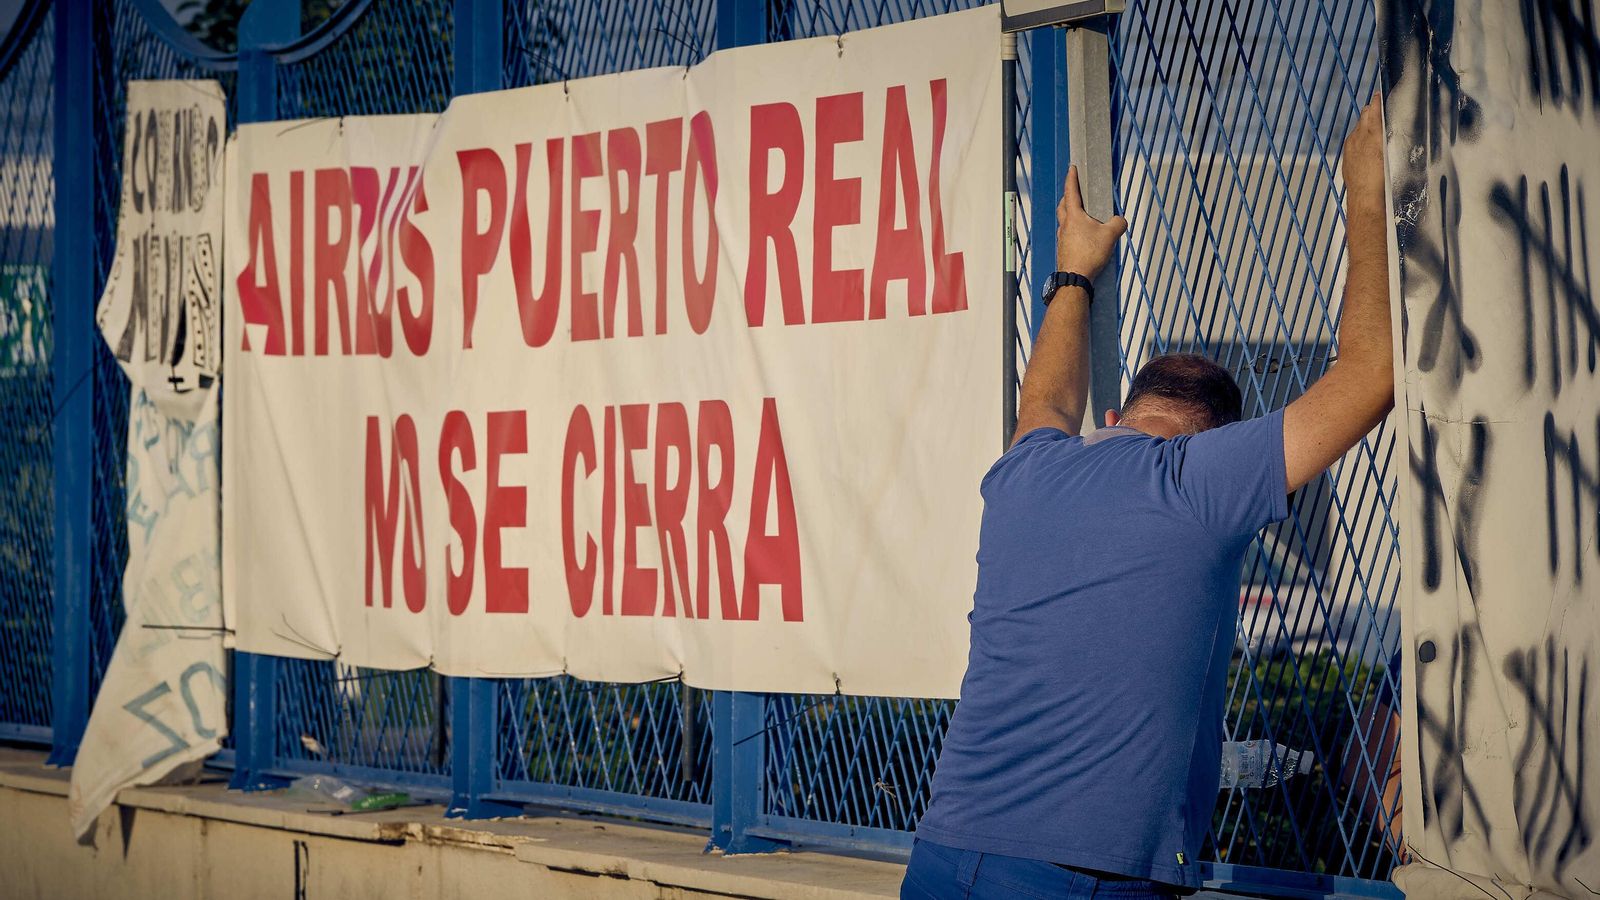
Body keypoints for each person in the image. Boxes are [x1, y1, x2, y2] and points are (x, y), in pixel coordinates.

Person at [902, 95, 1393, 899]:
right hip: (1082, 878)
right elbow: (1371, 375)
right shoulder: (1199, 485)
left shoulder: (1027, 475)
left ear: (1112, 421)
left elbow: (1044, 407)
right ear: (1213, 445)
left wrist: (1074, 271)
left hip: (946, 857)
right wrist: (1366, 191)